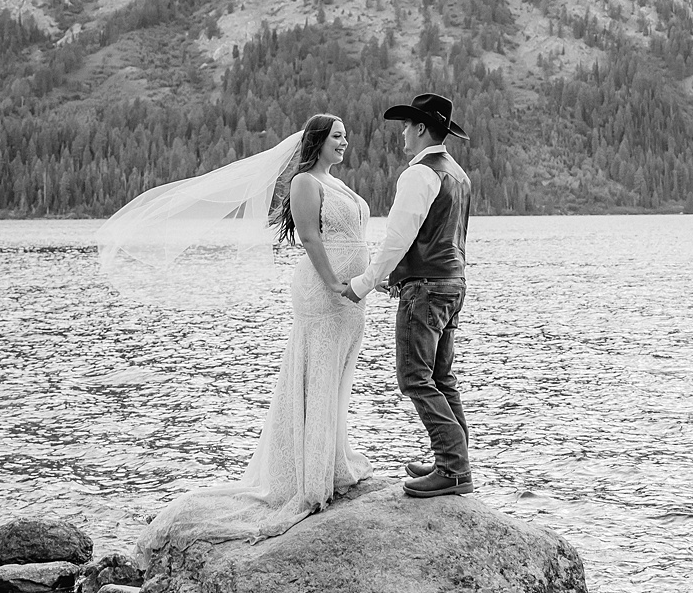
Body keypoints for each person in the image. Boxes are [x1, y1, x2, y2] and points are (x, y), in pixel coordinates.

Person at [103, 113, 373, 552]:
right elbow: (309, 237)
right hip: (326, 293)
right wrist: (333, 283)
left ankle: (332, 461)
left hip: (351, 297)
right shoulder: (307, 182)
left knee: (337, 378)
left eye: (346, 136)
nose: (345, 142)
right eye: (337, 136)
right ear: (318, 141)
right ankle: (310, 476)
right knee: (318, 375)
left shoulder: (338, 184)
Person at [341, 92, 474, 498]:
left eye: (406, 126)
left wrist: (363, 283)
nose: (402, 133)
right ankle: (452, 461)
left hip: (427, 289)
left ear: (420, 128)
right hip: (453, 284)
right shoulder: (458, 174)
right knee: (441, 377)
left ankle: (453, 469)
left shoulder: (419, 174)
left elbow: (400, 238)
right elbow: (443, 237)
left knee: (415, 378)